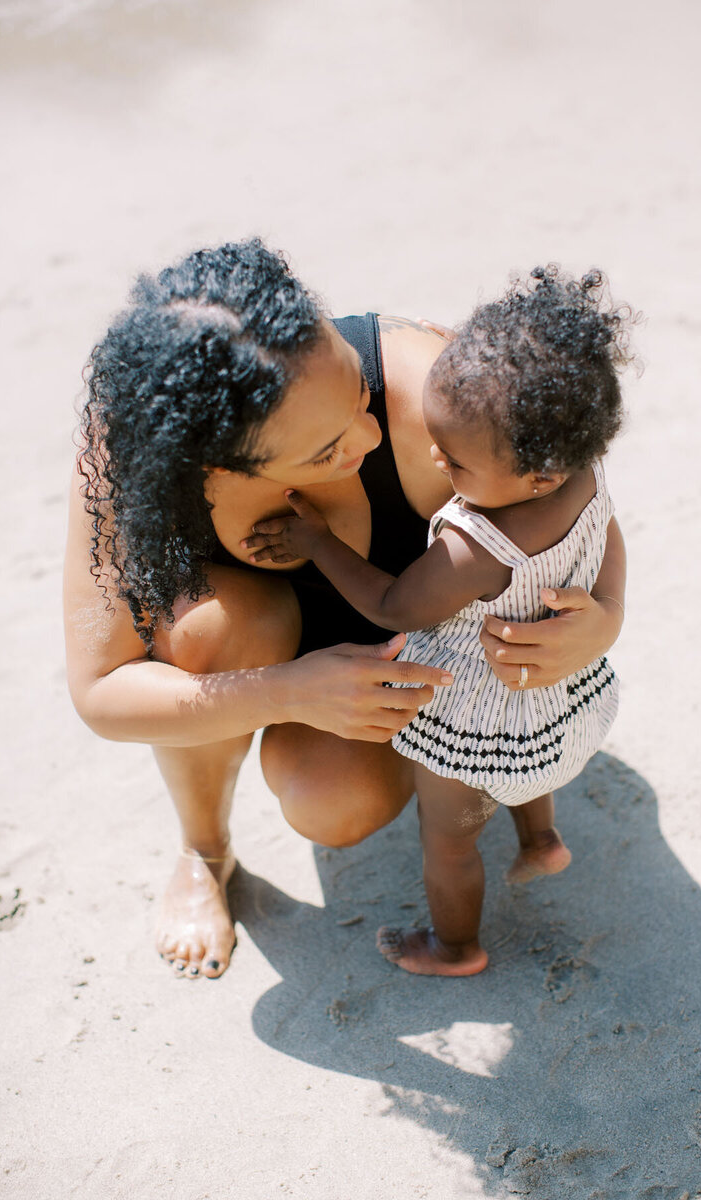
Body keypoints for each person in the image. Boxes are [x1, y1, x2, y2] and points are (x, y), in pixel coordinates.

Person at [63, 242, 627, 981]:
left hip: (418, 637)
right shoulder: (131, 461)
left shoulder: (437, 393)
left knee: (335, 805)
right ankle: (203, 850)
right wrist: (290, 690)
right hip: (272, 651)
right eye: (330, 446)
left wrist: (604, 618)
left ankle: (471, 790)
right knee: (205, 631)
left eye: (358, 395)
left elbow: (570, 480)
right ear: (216, 468)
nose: (372, 437)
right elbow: (102, 693)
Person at [246, 266, 631, 976]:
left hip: (475, 720)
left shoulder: (478, 546)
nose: (432, 457)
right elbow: (610, 542)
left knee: (448, 841)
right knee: (522, 738)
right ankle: (540, 837)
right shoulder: (583, 472)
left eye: (453, 459)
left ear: (535, 473)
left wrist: (316, 543)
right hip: (560, 705)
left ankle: (454, 945)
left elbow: (392, 606)